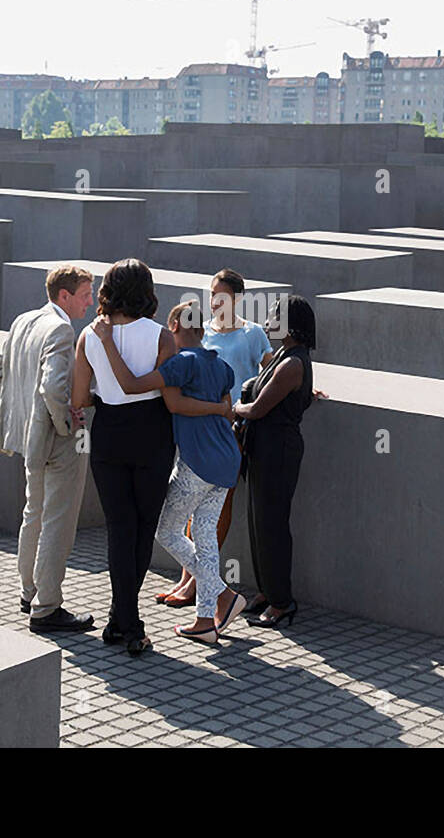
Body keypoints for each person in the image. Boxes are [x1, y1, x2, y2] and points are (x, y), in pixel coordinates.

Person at [71, 259, 228, 656]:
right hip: (151, 438)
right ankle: (128, 623)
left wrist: (100, 395)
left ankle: (120, 619)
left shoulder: (88, 335)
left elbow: (77, 398)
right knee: (141, 531)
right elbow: (163, 390)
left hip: (107, 434)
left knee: (118, 530)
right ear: (147, 291)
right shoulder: (162, 336)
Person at [91, 299, 246, 644]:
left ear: (174, 327)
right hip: (226, 461)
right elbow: (229, 412)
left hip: (198, 464)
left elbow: (134, 386)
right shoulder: (221, 366)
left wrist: (105, 341)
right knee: (205, 537)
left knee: (165, 529)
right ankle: (207, 619)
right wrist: (219, 409)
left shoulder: (179, 364)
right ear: (202, 329)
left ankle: (222, 596)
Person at [153, 268, 273, 608]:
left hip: (231, 431)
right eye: (212, 294)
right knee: (193, 512)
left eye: (222, 295)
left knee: (215, 511)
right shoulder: (199, 332)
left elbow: (270, 370)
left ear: (237, 298)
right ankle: (187, 579)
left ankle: (198, 587)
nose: (216, 301)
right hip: (198, 427)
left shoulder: (251, 334)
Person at [0, 264, 96, 633]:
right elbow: (54, 389)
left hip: (27, 441)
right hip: (55, 442)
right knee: (58, 521)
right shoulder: (62, 329)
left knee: (33, 513)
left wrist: (26, 418)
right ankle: (47, 606)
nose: (90, 302)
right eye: (85, 295)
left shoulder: (23, 321)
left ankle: (28, 591)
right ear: (63, 296)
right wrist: (67, 423)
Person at [233, 294, 317, 629]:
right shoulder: (283, 356)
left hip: (278, 451)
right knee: (257, 522)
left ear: (291, 326)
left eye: (273, 319)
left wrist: (229, 409)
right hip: (264, 447)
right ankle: (267, 590)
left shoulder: (293, 364)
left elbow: (256, 409)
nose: (267, 325)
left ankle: (283, 602)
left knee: (273, 526)